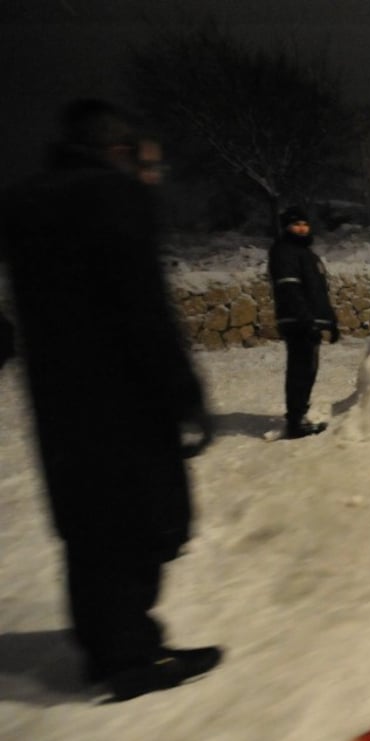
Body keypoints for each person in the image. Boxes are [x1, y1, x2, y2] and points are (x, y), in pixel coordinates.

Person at [0, 99, 221, 700]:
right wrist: (184, 393)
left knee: (91, 528)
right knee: (137, 522)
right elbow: (143, 307)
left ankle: (108, 648)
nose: (153, 176)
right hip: (124, 399)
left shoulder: (24, 201)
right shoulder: (111, 198)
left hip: (59, 401)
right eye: (148, 163)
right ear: (119, 152)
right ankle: (132, 655)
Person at [269, 205, 339, 438]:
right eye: (296, 224)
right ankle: (295, 421)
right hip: (298, 320)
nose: (301, 228)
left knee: (308, 369)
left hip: (309, 320)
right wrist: (305, 319)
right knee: (300, 369)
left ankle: (300, 415)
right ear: (287, 227)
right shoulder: (284, 251)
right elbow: (289, 288)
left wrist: (330, 321)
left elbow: (318, 292)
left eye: (304, 224)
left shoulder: (307, 255)